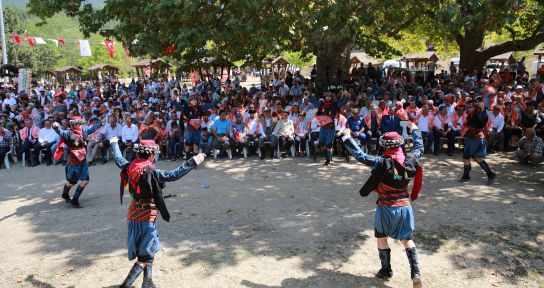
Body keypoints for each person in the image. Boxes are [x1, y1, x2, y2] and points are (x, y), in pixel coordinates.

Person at [109, 137, 206, 288]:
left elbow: (117, 158)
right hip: (147, 217)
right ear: (151, 154)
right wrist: (193, 161)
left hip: (133, 214)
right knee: (144, 255)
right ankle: (125, 285)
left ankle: (148, 282)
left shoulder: (129, 166)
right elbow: (173, 175)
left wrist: (113, 143)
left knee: (150, 248)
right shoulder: (151, 171)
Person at [339, 122, 424, 288]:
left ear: (384, 146)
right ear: (400, 144)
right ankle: (416, 272)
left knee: (381, 237)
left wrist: (347, 136)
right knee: (407, 239)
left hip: (386, 206)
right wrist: (414, 129)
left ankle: (386, 270)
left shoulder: (381, 162)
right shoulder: (411, 159)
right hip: (405, 206)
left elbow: (360, 155)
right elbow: (419, 145)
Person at [53, 116, 102, 208]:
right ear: (73, 124)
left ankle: (75, 200)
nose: (79, 125)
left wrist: (100, 122)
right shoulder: (68, 133)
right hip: (73, 160)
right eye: (77, 123)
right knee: (72, 181)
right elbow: (60, 132)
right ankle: (65, 194)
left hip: (82, 159)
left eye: (80, 123)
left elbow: (93, 129)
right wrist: (56, 127)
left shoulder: (84, 131)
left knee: (86, 180)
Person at [458, 97, 496, 185]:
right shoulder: (475, 113)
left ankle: (466, 176)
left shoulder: (480, 114)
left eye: (470, 107)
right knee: (477, 158)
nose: (468, 108)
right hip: (475, 138)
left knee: (466, 157)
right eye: (468, 107)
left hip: (475, 139)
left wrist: (482, 109)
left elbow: (477, 123)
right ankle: (490, 174)